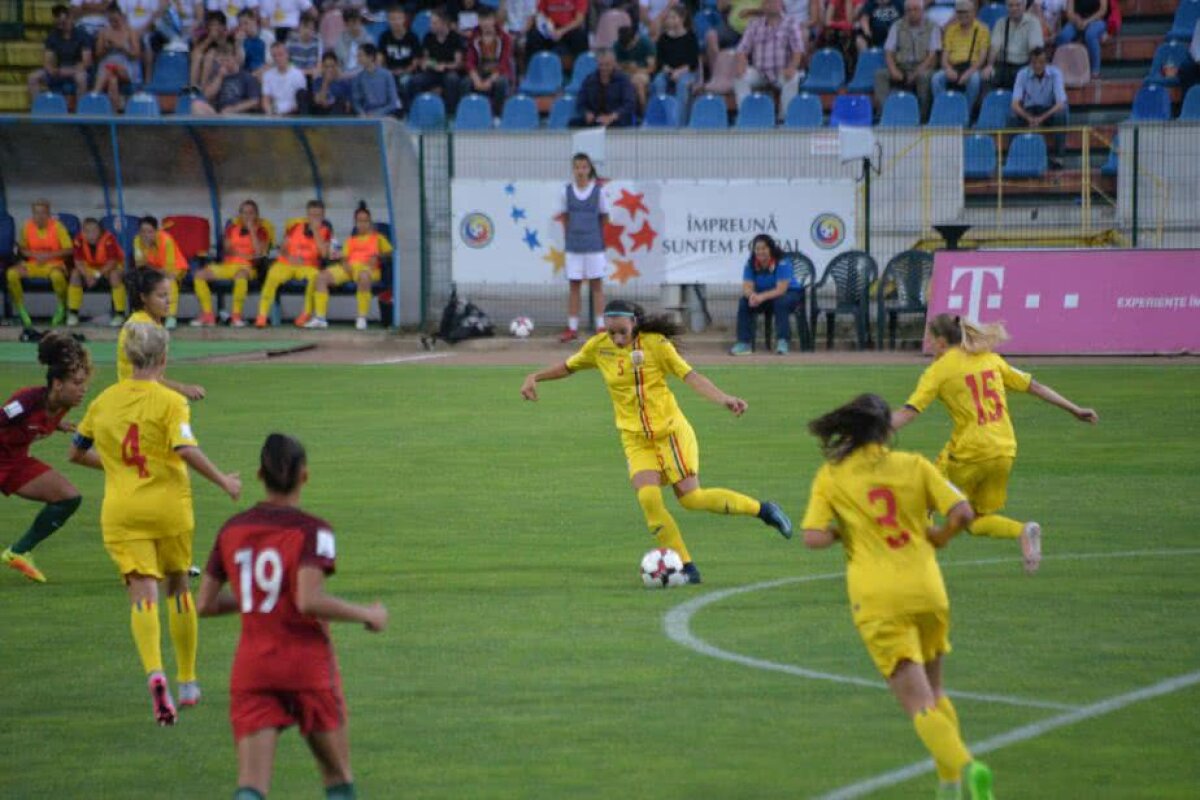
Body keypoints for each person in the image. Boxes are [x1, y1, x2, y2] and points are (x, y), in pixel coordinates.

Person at [800, 393, 996, 800]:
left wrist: (843, 532)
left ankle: (967, 766)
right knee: (937, 691)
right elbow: (962, 513)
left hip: (878, 597)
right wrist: (940, 537)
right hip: (928, 588)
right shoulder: (915, 466)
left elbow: (812, 537)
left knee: (918, 703)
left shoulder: (833, 475)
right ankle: (948, 787)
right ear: (886, 430)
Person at [521, 300, 793, 584]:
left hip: (670, 433)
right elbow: (569, 366)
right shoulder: (598, 347)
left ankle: (764, 510)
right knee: (648, 498)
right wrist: (535, 376)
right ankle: (687, 568)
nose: (616, 339)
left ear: (634, 324)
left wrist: (724, 398)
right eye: (611, 332)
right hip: (635, 439)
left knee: (692, 499)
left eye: (622, 332)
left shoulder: (657, 345)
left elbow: (690, 376)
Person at [197, 433, 388, 800]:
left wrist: (255, 596)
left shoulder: (232, 530)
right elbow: (308, 599)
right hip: (307, 666)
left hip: (254, 668)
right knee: (338, 777)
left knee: (252, 786)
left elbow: (204, 604)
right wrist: (367, 613)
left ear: (258, 474)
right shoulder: (313, 531)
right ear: (304, 475)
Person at [69, 323, 241, 726]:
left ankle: (155, 673)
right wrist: (223, 480)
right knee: (178, 586)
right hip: (169, 509)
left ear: (128, 358)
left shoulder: (103, 401)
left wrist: (115, 465)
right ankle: (188, 681)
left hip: (123, 511)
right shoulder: (170, 402)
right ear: (164, 360)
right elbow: (184, 447)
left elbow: (76, 453)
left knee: (141, 591)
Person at [891, 314, 1098, 573]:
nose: (929, 344)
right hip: (1004, 449)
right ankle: (1023, 531)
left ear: (942, 341)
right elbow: (1035, 386)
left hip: (971, 451)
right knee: (975, 520)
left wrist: (870, 432)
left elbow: (909, 412)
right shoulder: (991, 360)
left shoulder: (938, 372)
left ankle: (917, 567)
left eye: (931, 339)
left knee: (923, 497)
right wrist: (1075, 409)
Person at [1, 333, 91, 584]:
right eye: (77, 383)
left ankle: (18, 552)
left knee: (68, 498)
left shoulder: (62, 403)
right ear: (58, 384)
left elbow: (39, 421)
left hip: (16, 461)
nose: (83, 389)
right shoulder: (26, 400)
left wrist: (59, 425)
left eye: (84, 383)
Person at [118, 269, 206, 400]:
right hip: (137, 399)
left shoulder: (146, 322)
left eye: (169, 295)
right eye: (161, 296)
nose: (169, 300)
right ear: (143, 297)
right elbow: (147, 379)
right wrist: (183, 389)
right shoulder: (143, 328)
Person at [306, 202, 392, 331]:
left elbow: (390, 253)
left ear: (370, 222)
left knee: (364, 276)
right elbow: (344, 257)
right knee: (321, 276)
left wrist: (378, 256)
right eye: (359, 221)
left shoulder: (378, 238)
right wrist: (345, 265)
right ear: (355, 223)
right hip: (349, 268)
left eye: (365, 221)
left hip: (369, 269)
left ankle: (361, 317)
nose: (362, 224)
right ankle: (320, 318)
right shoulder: (351, 240)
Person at [192, 199, 270, 327]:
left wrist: (252, 231)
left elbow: (259, 252)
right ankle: (208, 315)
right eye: (244, 213)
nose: (248, 216)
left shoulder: (262, 231)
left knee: (241, 276)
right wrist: (244, 254)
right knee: (199, 275)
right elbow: (227, 249)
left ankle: (236, 316)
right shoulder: (232, 228)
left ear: (256, 215)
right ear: (240, 215)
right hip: (229, 265)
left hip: (248, 267)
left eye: (251, 213)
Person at [255, 199, 331, 328]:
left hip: (308, 266)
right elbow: (283, 248)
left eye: (318, 215)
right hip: (287, 263)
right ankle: (262, 315)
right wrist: (290, 257)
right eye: (312, 215)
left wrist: (315, 231)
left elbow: (324, 254)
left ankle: (305, 314)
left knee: (316, 277)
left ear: (323, 216)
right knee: (272, 275)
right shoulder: (295, 227)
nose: (314, 218)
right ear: (307, 215)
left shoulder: (326, 230)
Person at [557, 153, 608, 343]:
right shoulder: (566, 192)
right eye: (577, 167)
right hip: (574, 247)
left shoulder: (599, 192)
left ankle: (601, 327)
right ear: (573, 170)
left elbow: (604, 216)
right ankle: (572, 328)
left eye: (584, 167)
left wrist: (593, 234)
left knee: (597, 286)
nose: (580, 171)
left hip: (594, 246)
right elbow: (565, 217)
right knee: (574, 286)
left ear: (589, 169)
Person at [729, 234, 805, 356]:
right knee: (744, 302)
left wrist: (761, 297)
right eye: (757, 249)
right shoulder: (750, 264)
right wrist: (751, 296)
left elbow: (781, 290)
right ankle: (744, 343)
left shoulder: (782, 262)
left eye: (764, 248)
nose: (760, 252)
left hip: (790, 294)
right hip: (764, 296)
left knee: (781, 301)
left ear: (771, 249)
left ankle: (782, 341)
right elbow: (747, 287)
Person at [734, 0, 806, 121]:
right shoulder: (754, 24)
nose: (771, 4)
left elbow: (798, 50)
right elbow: (742, 49)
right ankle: (746, 116)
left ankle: (784, 118)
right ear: (763, 6)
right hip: (760, 72)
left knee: (793, 78)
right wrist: (741, 63)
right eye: (768, 2)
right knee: (740, 77)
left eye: (774, 1)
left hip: (782, 72)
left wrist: (792, 67)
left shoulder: (791, 22)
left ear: (781, 4)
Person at [7, 199, 72, 328]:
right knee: (11, 274)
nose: (40, 216)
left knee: (57, 277)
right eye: (36, 213)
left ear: (48, 214)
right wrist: (34, 255)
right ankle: (21, 309)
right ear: (33, 214)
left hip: (54, 264)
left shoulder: (58, 226)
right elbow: (22, 249)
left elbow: (69, 249)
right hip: (34, 264)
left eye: (43, 213)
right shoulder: (27, 226)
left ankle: (62, 307)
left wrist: (48, 256)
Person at [874, 0, 939, 120]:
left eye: (915, 9)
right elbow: (888, 51)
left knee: (924, 78)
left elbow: (932, 56)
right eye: (909, 10)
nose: (912, 13)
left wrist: (917, 72)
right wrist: (893, 70)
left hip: (923, 66)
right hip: (901, 66)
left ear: (922, 10)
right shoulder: (897, 26)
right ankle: (886, 113)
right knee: (880, 75)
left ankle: (921, 117)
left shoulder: (932, 26)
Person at [1011, 46, 1068, 168]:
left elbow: (1060, 103)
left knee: (1061, 113)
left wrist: (1041, 118)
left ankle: (1059, 157)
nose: (1037, 66)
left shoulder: (1056, 73)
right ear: (1030, 63)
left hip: (1048, 110)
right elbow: (1015, 104)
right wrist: (1029, 118)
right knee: (1012, 116)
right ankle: (1013, 157)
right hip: (1029, 110)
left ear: (1047, 62)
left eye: (1041, 62)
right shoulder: (1022, 74)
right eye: (1034, 62)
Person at [26, 4, 92, 106]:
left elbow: (86, 62)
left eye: (63, 20)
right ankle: (37, 111)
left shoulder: (82, 35)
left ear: (70, 18)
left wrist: (69, 71)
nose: (61, 23)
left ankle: (80, 113)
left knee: (81, 78)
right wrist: (51, 70)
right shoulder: (53, 36)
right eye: (58, 20)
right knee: (33, 77)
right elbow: (47, 61)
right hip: (59, 70)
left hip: (76, 70)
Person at [67, 217, 127, 328]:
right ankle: (73, 313)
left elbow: (112, 262)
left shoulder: (109, 238)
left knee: (114, 275)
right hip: (90, 269)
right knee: (75, 274)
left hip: (109, 268)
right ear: (82, 232)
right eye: (87, 231)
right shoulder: (78, 239)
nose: (90, 235)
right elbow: (78, 262)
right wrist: (87, 275)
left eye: (94, 231)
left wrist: (96, 275)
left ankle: (120, 314)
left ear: (100, 231)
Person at [932, 0, 990, 111]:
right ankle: (942, 110)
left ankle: (965, 112)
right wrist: (948, 69)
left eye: (966, 12)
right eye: (959, 12)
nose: (962, 15)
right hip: (954, 66)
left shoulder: (982, 29)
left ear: (973, 12)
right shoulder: (951, 30)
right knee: (936, 78)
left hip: (972, 67)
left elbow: (982, 58)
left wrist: (969, 72)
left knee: (974, 80)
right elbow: (944, 56)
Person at [132, 216, 187, 329]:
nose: (146, 235)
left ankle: (171, 316)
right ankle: (142, 314)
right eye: (143, 231)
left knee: (169, 281)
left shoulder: (167, 241)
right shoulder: (137, 241)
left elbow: (169, 271)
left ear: (156, 231)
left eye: (150, 232)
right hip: (153, 269)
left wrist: (150, 267)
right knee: (137, 279)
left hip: (176, 268)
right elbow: (139, 265)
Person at [461, 9, 514, 117]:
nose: (485, 23)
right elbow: (469, 62)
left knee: (501, 83)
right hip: (480, 72)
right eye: (482, 20)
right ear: (479, 21)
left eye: (488, 19)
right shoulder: (473, 37)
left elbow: (504, 63)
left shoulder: (505, 38)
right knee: (465, 82)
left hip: (498, 74)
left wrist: (489, 81)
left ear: (494, 20)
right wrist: (476, 80)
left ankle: (497, 116)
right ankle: (469, 114)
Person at [413, 8, 466, 114]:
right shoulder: (428, 37)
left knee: (452, 79)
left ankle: (451, 113)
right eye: (431, 22)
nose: (431, 25)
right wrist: (431, 64)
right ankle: (417, 111)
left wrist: (445, 66)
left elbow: (458, 63)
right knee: (416, 80)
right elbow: (425, 58)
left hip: (450, 71)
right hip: (433, 71)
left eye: (434, 23)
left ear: (444, 23)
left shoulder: (455, 38)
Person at [982, 0, 1043, 91]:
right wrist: (990, 65)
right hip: (1003, 65)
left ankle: (1018, 104)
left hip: (1023, 65)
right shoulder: (1001, 23)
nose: (1014, 8)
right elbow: (994, 47)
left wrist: (1033, 67)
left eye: (1017, 5)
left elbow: (1035, 49)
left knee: (1027, 77)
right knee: (987, 75)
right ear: (1006, 7)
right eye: (1010, 5)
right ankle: (991, 103)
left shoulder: (1033, 23)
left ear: (1024, 5)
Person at [92, 5, 142, 113]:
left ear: (122, 17)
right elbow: (97, 55)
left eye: (116, 20)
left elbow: (136, 55)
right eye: (111, 21)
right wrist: (106, 48)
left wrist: (122, 48)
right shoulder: (104, 32)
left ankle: (94, 95)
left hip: (126, 65)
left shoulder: (131, 31)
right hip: (107, 63)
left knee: (109, 69)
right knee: (112, 81)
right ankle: (114, 114)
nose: (113, 23)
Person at [652, 5, 700, 114]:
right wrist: (666, 68)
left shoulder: (691, 37)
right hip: (668, 71)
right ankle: (663, 115)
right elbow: (660, 60)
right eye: (669, 18)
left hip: (687, 72)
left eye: (674, 17)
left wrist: (679, 72)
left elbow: (693, 62)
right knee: (658, 81)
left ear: (682, 19)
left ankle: (679, 122)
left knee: (682, 84)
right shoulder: (663, 38)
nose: (670, 20)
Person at [192, 44, 263, 115]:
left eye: (226, 60)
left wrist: (234, 109)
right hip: (219, 113)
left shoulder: (246, 77)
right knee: (196, 105)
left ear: (234, 58)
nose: (223, 63)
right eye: (221, 61)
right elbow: (207, 96)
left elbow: (255, 101)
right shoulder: (217, 74)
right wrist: (219, 77)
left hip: (239, 113)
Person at [575, 47, 637, 128]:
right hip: (595, 119)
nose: (604, 68)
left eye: (607, 65)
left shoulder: (624, 80)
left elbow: (629, 104)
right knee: (573, 124)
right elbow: (580, 103)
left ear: (614, 63)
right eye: (601, 65)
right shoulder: (589, 80)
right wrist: (586, 113)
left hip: (616, 120)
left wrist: (612, 116)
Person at [379, 6, 422, 109]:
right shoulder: (384, 37)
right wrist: (387, 71)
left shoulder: (412, 37)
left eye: (398, 18)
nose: (395, 22)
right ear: (388, 21)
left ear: (404, 19)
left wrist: (404, 71)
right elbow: (380, 58)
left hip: (408, 72)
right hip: (389, 72)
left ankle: (406, 110)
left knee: (405, 82)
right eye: (392, 19)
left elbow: (416, 62)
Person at [1056, 0, 1107, 78]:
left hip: (1096, 20)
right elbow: (1069, 13)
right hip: (1077, 21)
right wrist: (1076, 20)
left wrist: (1087, 21)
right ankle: (1063, 68)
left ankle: (1095, 70)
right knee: (1064, 36)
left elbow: (1103, 10)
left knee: (1090, 35)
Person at [614, 24, 655, 111]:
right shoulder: (618, 45)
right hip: (624, 72)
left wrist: (636, 69)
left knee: (638, 82)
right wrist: (625, 66)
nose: (628, 49)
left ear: (635, 39)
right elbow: (614, 65)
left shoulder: (646, 43)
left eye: (630, 46)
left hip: (642, 72)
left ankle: (643, 111)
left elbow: (651, 68)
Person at [353, 43, 401, 115]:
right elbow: (356, 102)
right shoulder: (358, 78)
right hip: (367, 115)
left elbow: (393, 103)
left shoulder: (387, 75)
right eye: (358, 56)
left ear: (371, 57)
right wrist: (362, 113)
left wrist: (377, 114)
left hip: (386, 115)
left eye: (360, 55)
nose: (358, 58)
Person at [262, 40, 309, 114]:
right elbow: (266, 100)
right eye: (274, 55)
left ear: (287, 54)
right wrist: (270, 113)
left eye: (280, 54)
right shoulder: (268, 75)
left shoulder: (298, 75)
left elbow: (300, 102)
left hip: (293, 115)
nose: (277, 58)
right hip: (274, 114)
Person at [335, 8, 374, 76]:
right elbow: (338, 61)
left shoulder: (368, 40)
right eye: (352, 22)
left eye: (357, 21)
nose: (355, 25)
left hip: (363, 75)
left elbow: (370, 64)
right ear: (346, 24)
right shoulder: (340, 40)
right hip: (344, 75)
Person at [286, 12, 322, 80]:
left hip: (312, 76)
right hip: (294, 76)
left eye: (310, 28)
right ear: (299, 27)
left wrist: (310, 72)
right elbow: (286, 62)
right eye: (304, 27)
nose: (307, 31)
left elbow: (319, 66)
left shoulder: (317, 41)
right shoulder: (291, 40)